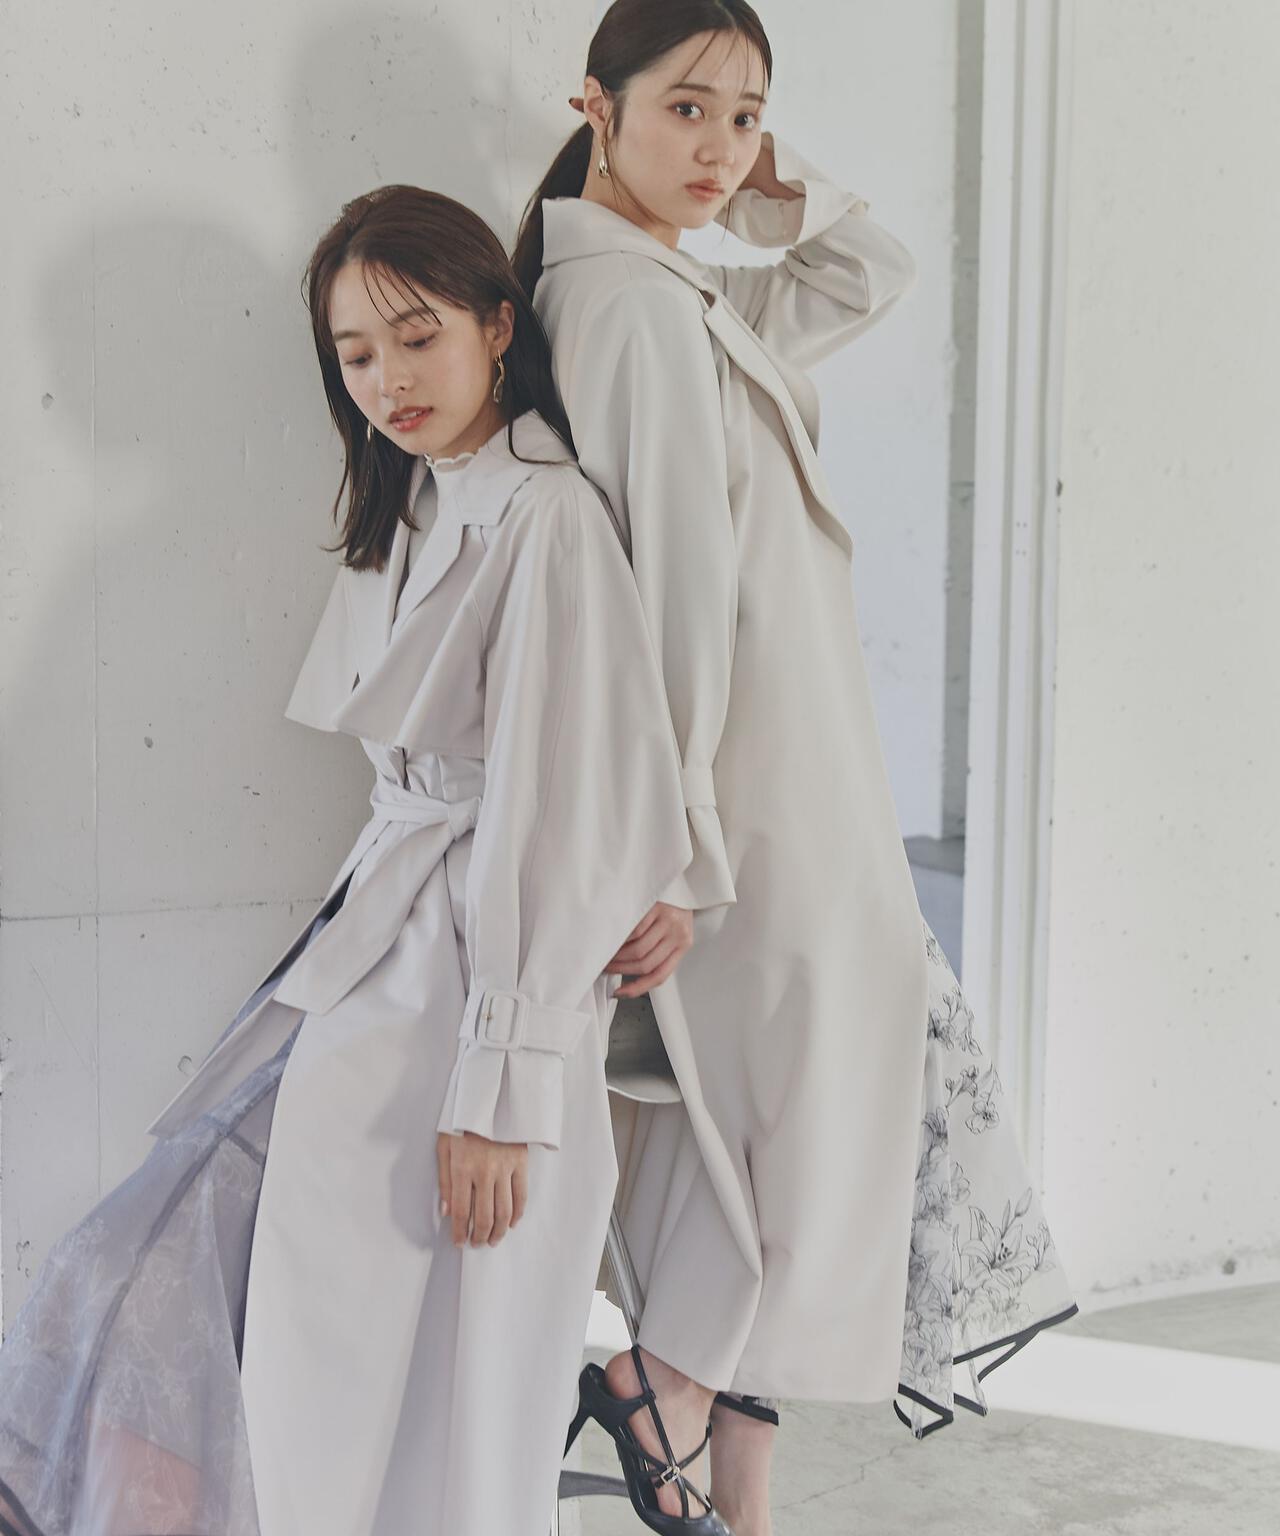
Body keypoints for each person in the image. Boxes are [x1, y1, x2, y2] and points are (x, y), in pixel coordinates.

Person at [0, 184, 694, 1536]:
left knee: (442, 1387)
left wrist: (501, 1086)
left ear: (499, 326)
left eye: (417, 337)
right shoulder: (416, 505)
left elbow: (563, 805)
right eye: (356, 354)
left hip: (474, 999)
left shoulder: (546, 517)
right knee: (250, 1334)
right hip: (380, 965)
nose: (388, 381)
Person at [520, 4, 1080, 1533]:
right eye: (686, 108)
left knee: (779, 1124)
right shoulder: (631, 311)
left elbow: (863, 272)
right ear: (594, 106)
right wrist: (683, 842)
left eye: (747, 114)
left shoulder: (678, 291)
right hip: (751, 795)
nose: (721, 146)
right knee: (794, 1125)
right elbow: (673, 592)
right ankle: (661, 1390)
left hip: (800, 775)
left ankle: (731, 1482)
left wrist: (776, 187)